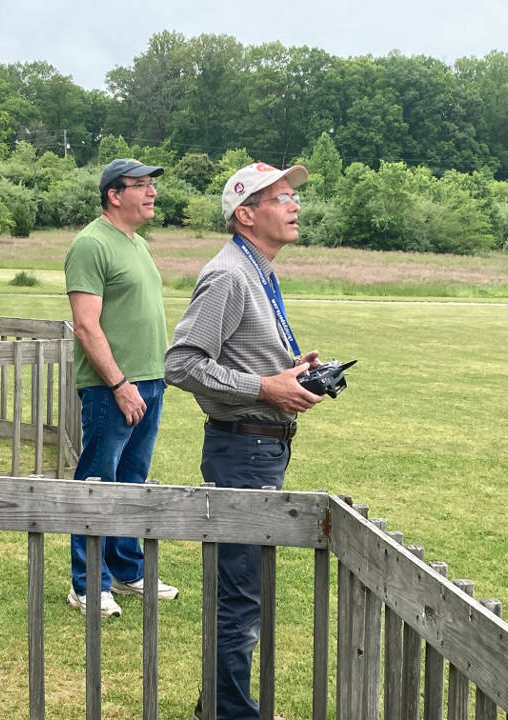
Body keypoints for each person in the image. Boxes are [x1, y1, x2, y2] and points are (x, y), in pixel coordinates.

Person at [164, 162, 323, 720]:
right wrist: (263, 386)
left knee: (242, 586)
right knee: (241, 594)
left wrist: (289, 372)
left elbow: (238, 356)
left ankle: (221, 705)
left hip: (257, 446)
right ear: (246, 214)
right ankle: (230, 715)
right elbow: (181, 365)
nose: (294, 205)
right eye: (280, 198)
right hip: (244, 450)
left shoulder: (258, 270)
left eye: (291, 196)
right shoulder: (231, 274)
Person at [64, 158, 179, 618]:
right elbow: (86, 327)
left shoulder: (139, 244)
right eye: (141, 186)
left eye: (152, 185)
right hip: (111, 388)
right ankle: (87, 584)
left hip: (150, 381)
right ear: (114, 194)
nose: (152, 193)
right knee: (97, 483)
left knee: (131, 482)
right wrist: (119, 383)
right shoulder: (91, 245)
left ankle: (126, 571)